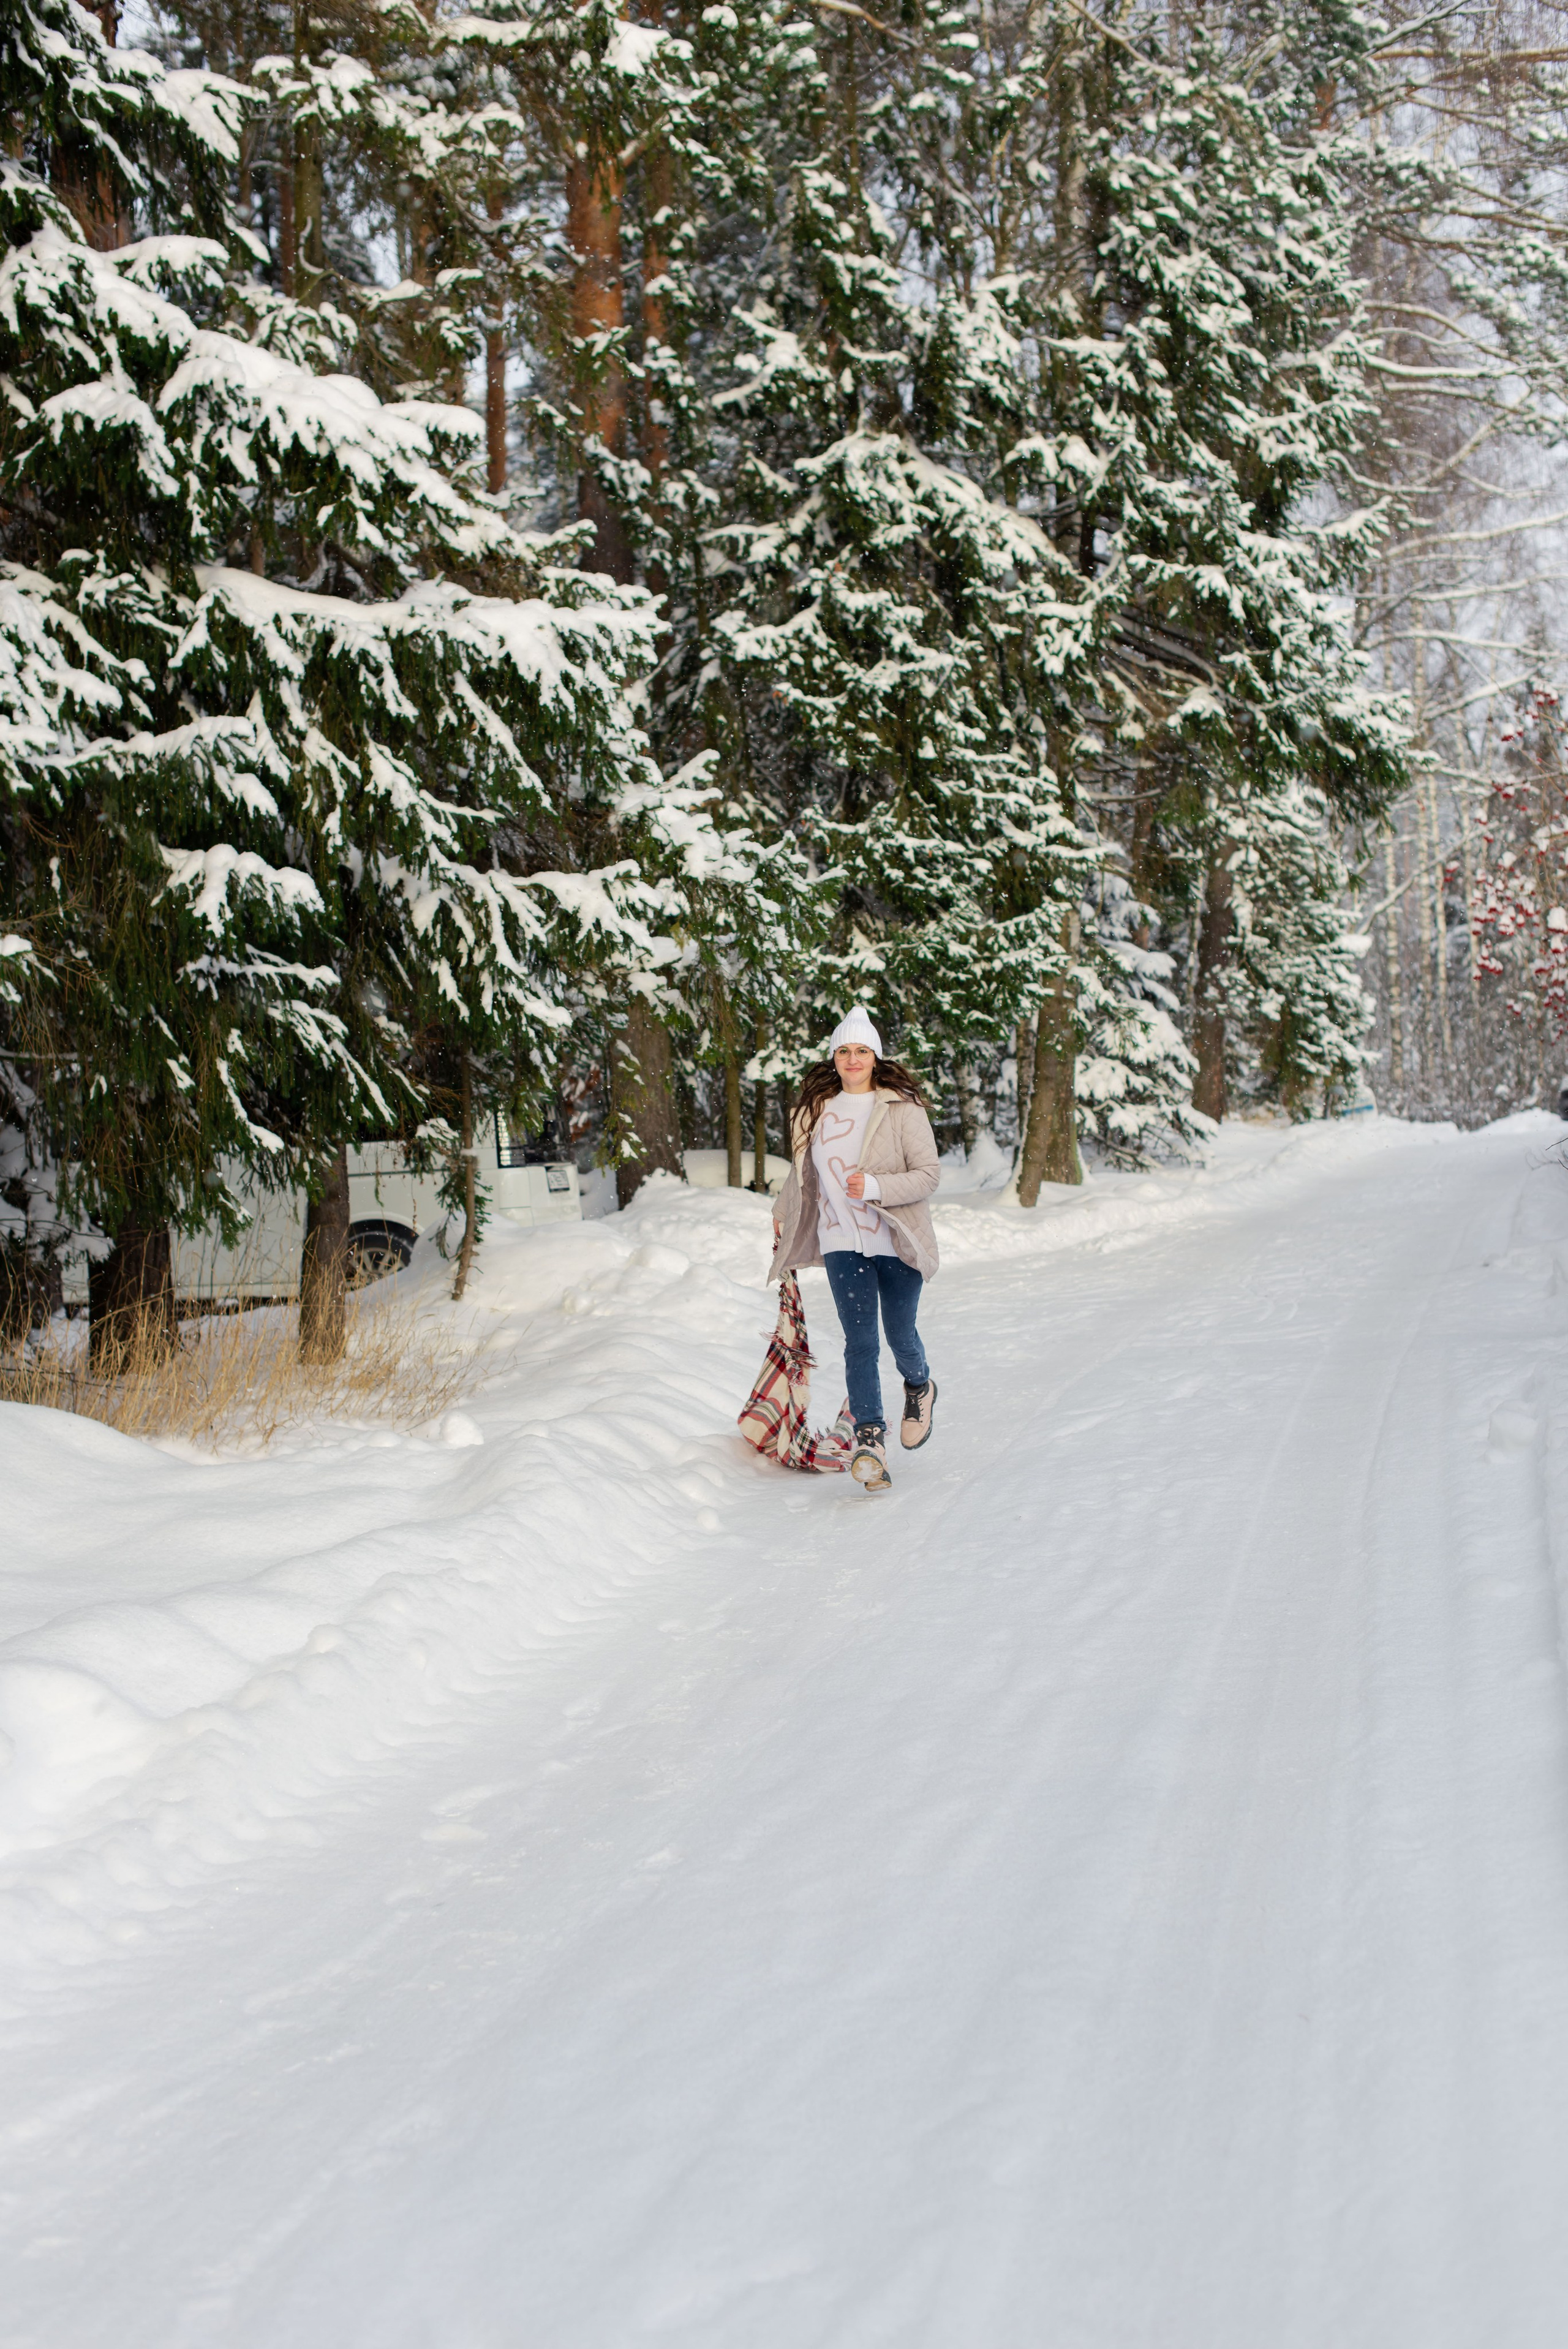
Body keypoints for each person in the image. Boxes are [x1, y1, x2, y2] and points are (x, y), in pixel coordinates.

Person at [769, 1009, 940, 1493]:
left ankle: (919, 1385)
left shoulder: (902, 1107)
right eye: (844, 1050)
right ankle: (870, 1440)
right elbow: (806, 1173)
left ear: (876, 1056)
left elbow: (928, 1175)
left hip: (896, 1237)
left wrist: (877, 1185)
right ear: (835, 1057)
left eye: (862, 1050)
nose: (852, 1059)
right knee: (860, 1342)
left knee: (900, 1334)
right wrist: (782, 1209)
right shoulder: (816, 1109)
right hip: (841, 1240)